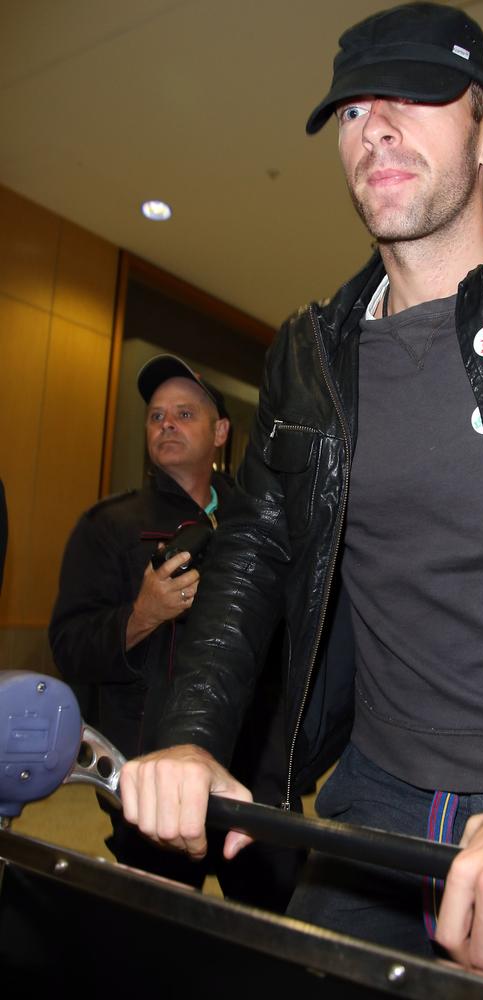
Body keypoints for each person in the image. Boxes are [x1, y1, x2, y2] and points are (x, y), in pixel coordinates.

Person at [119, 4, 483, 996]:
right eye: (355, 110)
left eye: (413, 96)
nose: (376, 128)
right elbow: (252, 556)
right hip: (368, 806)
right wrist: (191, 735)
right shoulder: (309, 355)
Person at [49, 354, 304, 910]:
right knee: (152, 946)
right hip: (154, 775)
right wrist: (142, 615)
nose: (165, 423)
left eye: (184, 414)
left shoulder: (262, 522)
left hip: (257, 773)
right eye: (157, 415)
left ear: (220, 432)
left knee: (278, 936)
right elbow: (69, 648)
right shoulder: (107, 526)